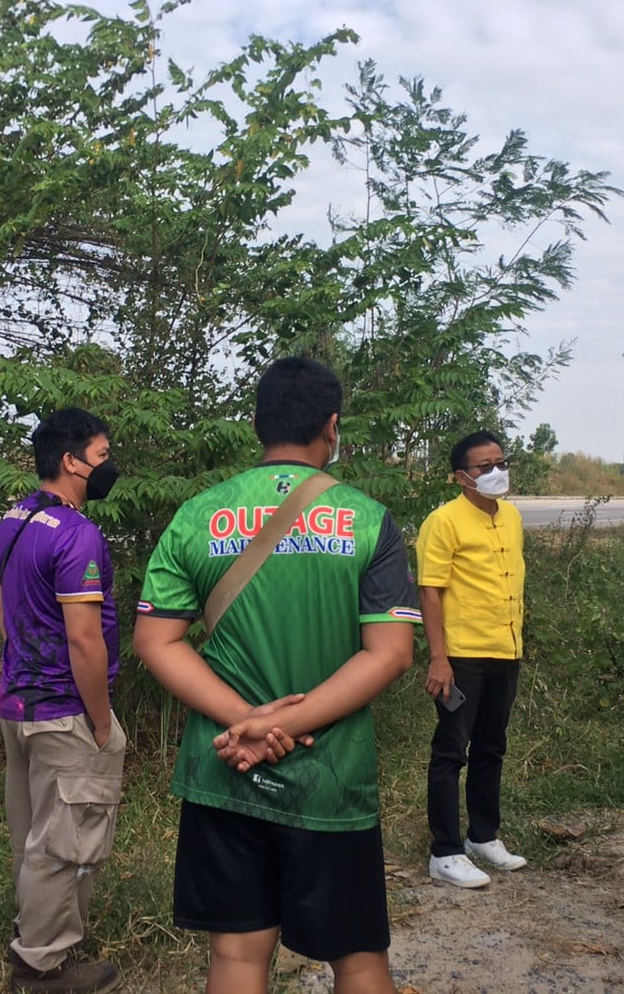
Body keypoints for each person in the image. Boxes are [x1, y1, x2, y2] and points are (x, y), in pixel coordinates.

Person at [134, 357, 418, 994]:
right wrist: (285, 724)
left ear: (258, 424)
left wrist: (247, 724)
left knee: (236, 956)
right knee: (359, 958)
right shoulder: (368, 519)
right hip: (331, 778)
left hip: (224, 767)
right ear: (332, 426)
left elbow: (156, 640)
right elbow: (391, 653)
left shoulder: (198, 515)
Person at [0, 409, 126, 994]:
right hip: (64, 710)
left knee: (33, 833)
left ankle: (33, 928)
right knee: (65, 841)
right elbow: (84, 640)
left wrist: (23, 661)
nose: (109, 466)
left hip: (17, 702)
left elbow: (3, 607)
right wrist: (100, 721)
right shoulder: (76, 533)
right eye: (102, 456)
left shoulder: (13, 520)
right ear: (71, 461)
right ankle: (41, 967)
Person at [418, 430, 528, 889]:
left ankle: (483, 836)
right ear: (461, 477)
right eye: (485, 466)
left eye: (501, 462)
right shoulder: (443, 521)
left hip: (505, 650)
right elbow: (430, 590)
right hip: (462, 656)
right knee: (451, 750)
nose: (496, 472)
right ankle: (444, 852)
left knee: (491, 747)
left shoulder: (512, 517)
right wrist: (438, 658)